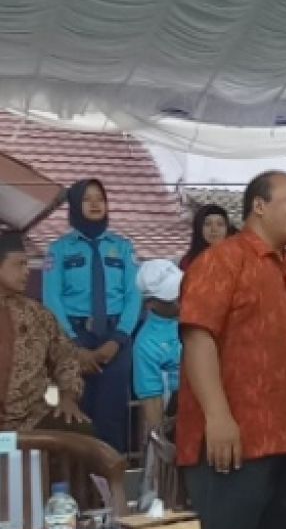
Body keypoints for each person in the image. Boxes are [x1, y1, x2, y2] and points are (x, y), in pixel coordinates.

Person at [177, 172, 286, 529]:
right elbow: (198, 338)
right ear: (258, 205)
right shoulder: (221, 260)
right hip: (234, 441)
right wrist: (218, 417)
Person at [42, 178, 140, 452]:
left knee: (112, 414)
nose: (96, 204)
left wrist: (117, 339)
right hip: (73, 336)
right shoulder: (58, 250)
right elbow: (52, 299)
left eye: (100, 198)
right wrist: (74, 347)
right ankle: (78, 485)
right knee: (77, 412)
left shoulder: (123, 247)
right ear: (74, 206)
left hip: (116, 337)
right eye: (87, 199)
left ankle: (111, 485)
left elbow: (134, 296)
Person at [0, 230, 90, 432]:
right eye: (19, 264)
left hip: (32, 420)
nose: (27, 271)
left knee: (80, 431)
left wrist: (68, 397)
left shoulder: (37, 314)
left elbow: (67, 359)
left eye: (27, 264)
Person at [132, 259, 183, 441]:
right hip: (181, 413)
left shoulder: (201, 311)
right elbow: (152, 401)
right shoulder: (146, 343)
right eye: (172, 297)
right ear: (150, 304)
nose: (180, 299)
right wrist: (161, 442)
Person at [180, 204, 234, 271]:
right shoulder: (188, 262)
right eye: (207, 224)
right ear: (198, 227)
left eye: (220, 224)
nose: (214, 229)